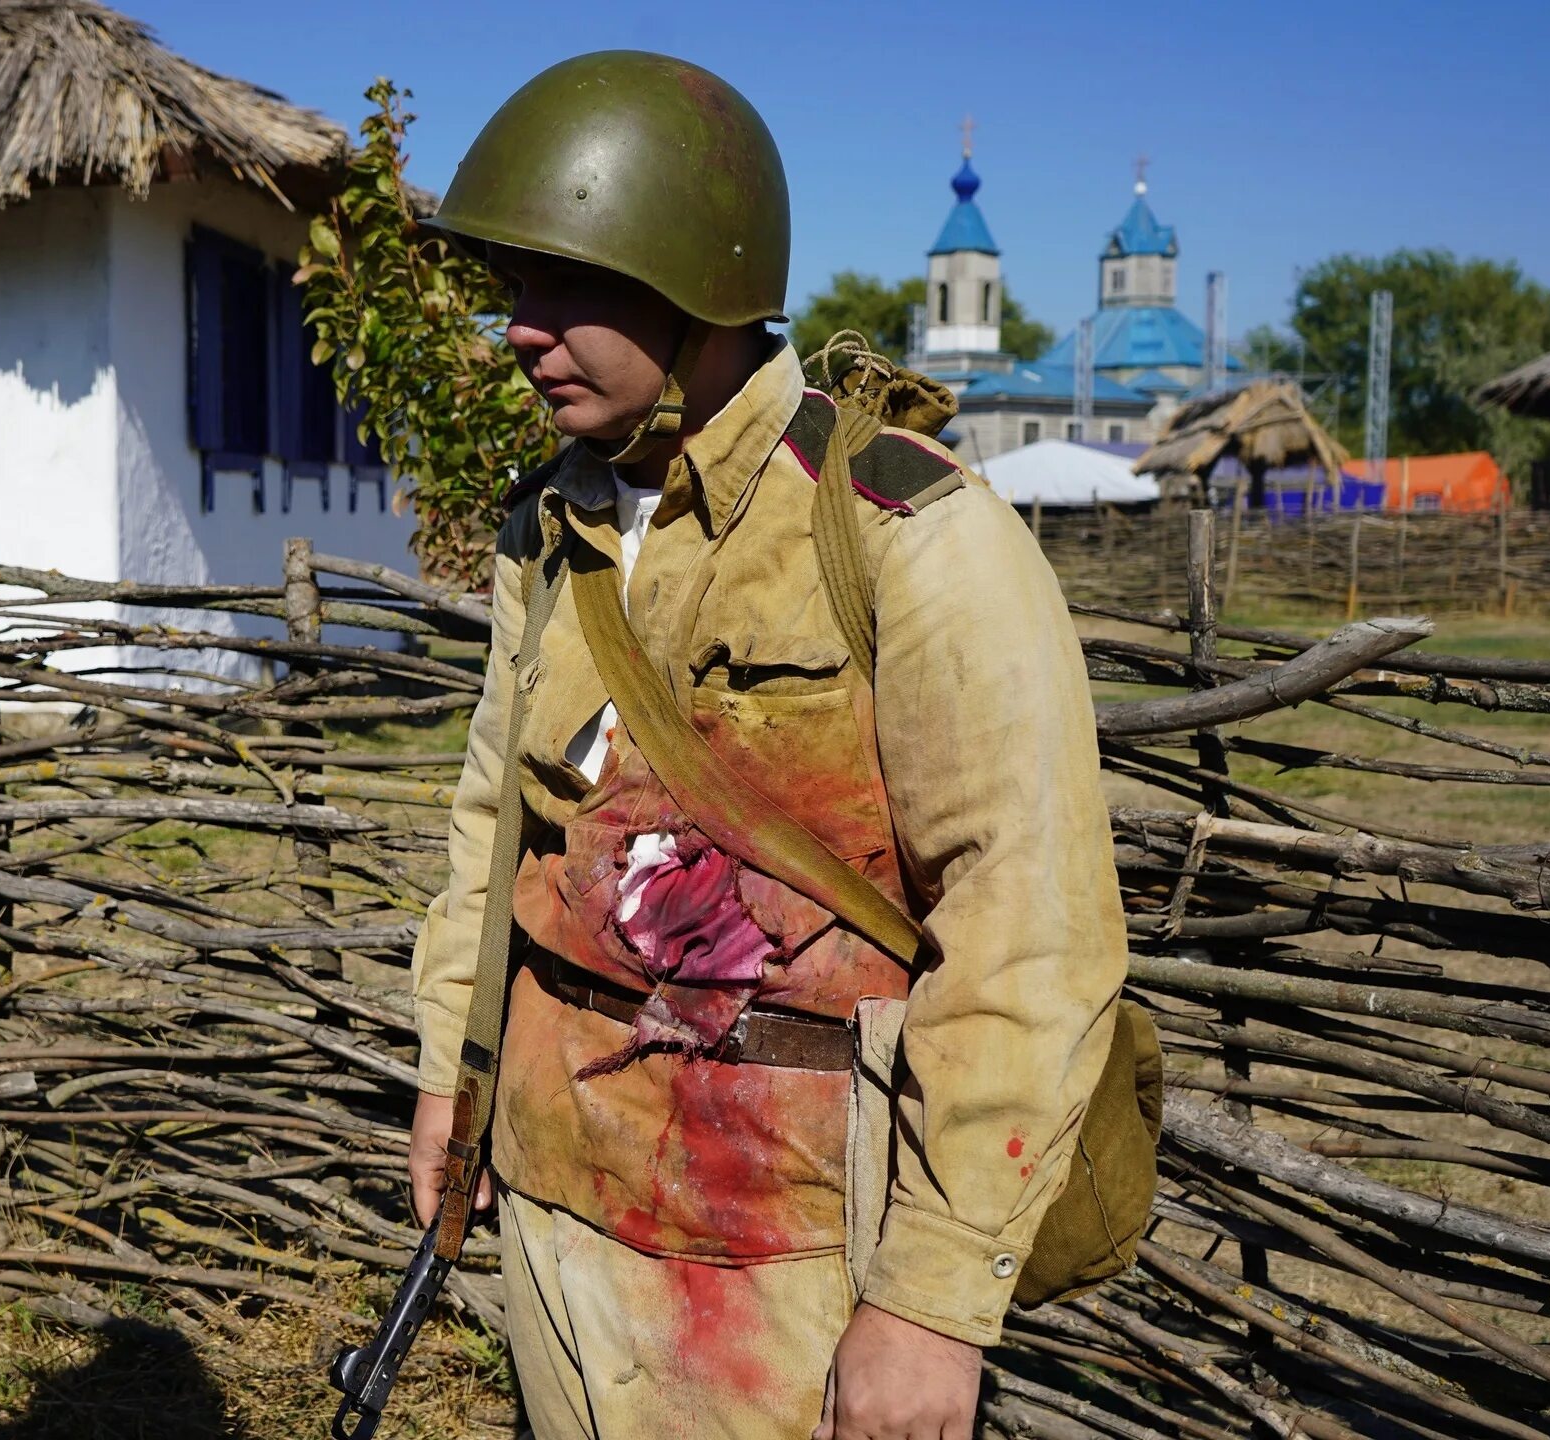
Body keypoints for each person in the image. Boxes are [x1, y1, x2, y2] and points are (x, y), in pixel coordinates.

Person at [403, 51, 1128, 1440]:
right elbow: (496, 823)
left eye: (570, 287)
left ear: (697, 285)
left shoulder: (903, 533)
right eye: (515, 289)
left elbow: (1027, 933)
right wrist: (458, 1065)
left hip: (783, 1258)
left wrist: (927, 1301)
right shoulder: (547, 528)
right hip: (558, 1203)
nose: (520, 331)